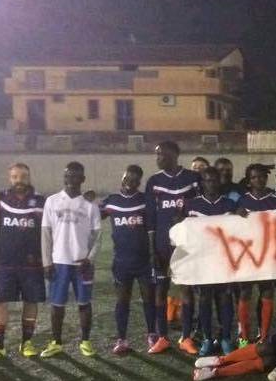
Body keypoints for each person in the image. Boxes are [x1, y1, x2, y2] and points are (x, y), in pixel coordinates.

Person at [0, 163, 42, 361]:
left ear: (29, 177)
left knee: (31, 301)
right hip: (5, 262)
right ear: (9, 178)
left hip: (32, 263)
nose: (19, 180)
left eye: (23, 176)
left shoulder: (41, 201)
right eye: (15, 177)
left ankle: (26, 342)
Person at [39, 162, 102, 358]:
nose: (70, 180)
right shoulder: (52, 201)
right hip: (59, 262)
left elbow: (97, 237)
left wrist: (90, 259)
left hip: (83, 264)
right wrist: (47, 262)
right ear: (64, 177)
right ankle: (56, 342)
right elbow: (46, 234)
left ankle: (85, 341)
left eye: (75, 176)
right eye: (67, 176)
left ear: (82, 179)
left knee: (84, 303)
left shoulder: (90, 206)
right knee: (57, 305)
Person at [144, 141, 201, 354]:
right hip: (161, 244)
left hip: (186, 243)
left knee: (186, 289)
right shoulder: (154, 181)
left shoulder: (193, 179)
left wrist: (185, 216)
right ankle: (163, 337)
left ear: (174, 154)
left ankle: (186, 337)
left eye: (162, 154)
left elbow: (200, 208)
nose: (158, 158)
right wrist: (152, 250)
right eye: (157, 154)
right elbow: (150, 218)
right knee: (161, 289)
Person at [98, 165, 155, 355]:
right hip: (121, 261)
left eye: (134, 180)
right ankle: (122, 339)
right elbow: (94, 216)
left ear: (139, 182)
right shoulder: (112, 200)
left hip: (144, 260)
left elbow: (154, 224)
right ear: (122, 178)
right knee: (122, 300)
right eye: (126, 178)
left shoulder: (145, 200)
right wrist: (86, 202)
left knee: (148, 298)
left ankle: (152, 334)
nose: (129, 182)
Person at [183, 167, 238, 356]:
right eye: (207, 180)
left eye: (214, 180)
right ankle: (207, 338)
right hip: (202, 260)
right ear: (202, 183)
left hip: (224, 259)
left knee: (225, 298)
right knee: (205, 298)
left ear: (219, 182)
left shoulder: (230, 204)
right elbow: (184, 231)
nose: (211, 183)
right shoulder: (192, 205)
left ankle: (225, 338)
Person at [235, 163, 276, 346]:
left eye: (262, 176)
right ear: (249, 181)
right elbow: (233, 227)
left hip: (268, 253)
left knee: (267, 291)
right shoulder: (242, 201)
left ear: (267, 177)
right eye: (254, 177)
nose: (259, 180)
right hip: (247, 254)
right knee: (245, 292)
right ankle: (243, 337)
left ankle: (264, 336)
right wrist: (236, 214)